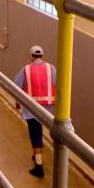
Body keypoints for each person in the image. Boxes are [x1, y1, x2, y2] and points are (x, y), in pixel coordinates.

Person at [13, 45, 57, 178]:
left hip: (32, 107)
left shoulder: (26, 69)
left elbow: (16, 86)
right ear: (42, 56)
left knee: (35, 134)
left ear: (31, 56)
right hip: (48, 107)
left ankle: (39, 166)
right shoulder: (51, 68)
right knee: (41, 131)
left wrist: (18, 102)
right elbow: (57, 84)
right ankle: (36, 154)